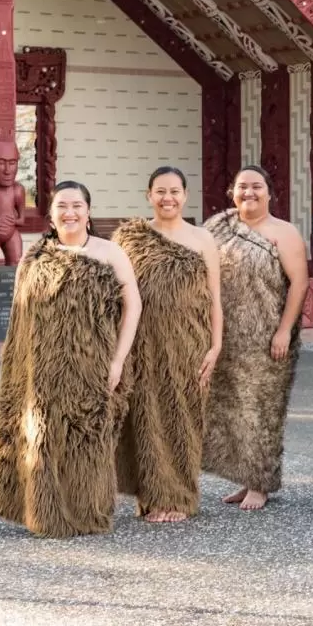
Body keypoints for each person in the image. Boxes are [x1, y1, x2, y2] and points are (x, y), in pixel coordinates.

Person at [0, 181, 141, 537]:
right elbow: (19, 314)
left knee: (87, 439)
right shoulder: (35, 256)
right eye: (62, 206)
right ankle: (45, 513)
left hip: (93, 363)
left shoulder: (109, 252)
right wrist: (17, 364)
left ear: (88, 212)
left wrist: (118, 359)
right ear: (51, 215)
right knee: (42, 437)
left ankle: (86, 513)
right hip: (41, 367)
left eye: (77, 205)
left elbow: (133, 306)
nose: (69, 212)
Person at [113, 167, 223, 523]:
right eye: (160, 191)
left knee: (183, 419)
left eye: (174, 191)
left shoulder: (203, 238)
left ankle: (178, 498)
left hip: (190, 343)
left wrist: (215, 346)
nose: (168, 198)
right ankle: (151, 495)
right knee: (145, 418)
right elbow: (113, 291)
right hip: (143, 344)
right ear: (149, 195)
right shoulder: (130, 239)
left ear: (185, 196)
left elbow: (215, 299)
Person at [202, 166, 308, 511]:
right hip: (225, 335)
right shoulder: (218, 227)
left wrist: (284, 330)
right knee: (230, 410)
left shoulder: (284, 232)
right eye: (242, 187)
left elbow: (299, 283)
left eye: (256, 186)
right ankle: (244, 479)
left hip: (266, 338)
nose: (249, 192)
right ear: (232, 192)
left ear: (269, 193)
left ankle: (261, 483)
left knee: (262, 412)